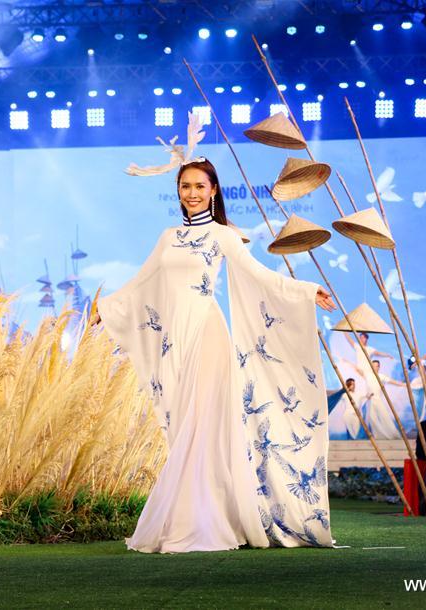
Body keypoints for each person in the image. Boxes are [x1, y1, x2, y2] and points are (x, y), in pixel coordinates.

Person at [93, 158, 336, 553]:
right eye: (185, 186)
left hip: (207, 335)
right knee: (182, 427)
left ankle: (201, 522)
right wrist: (104, 309)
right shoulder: (168, 236)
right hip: (176, 340)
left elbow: (259, 275)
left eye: (199, 186)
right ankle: (197, 514)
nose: (191, 193)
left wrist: (306, 290)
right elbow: (141, 282)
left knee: (200, 426)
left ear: (213, 191)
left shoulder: (224, 235)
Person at [355, 359, 405, 440]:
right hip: (370, 401)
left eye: (377, 366)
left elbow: (393, 382)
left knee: (384, 417)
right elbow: (357, 370)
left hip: (378, 399)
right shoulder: (368, 375)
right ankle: (378, 436)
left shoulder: (381, 376)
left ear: (379, 367)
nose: (375, 367)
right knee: (372, 418)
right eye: (373, 366)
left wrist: (403, 385)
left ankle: (392, 434)